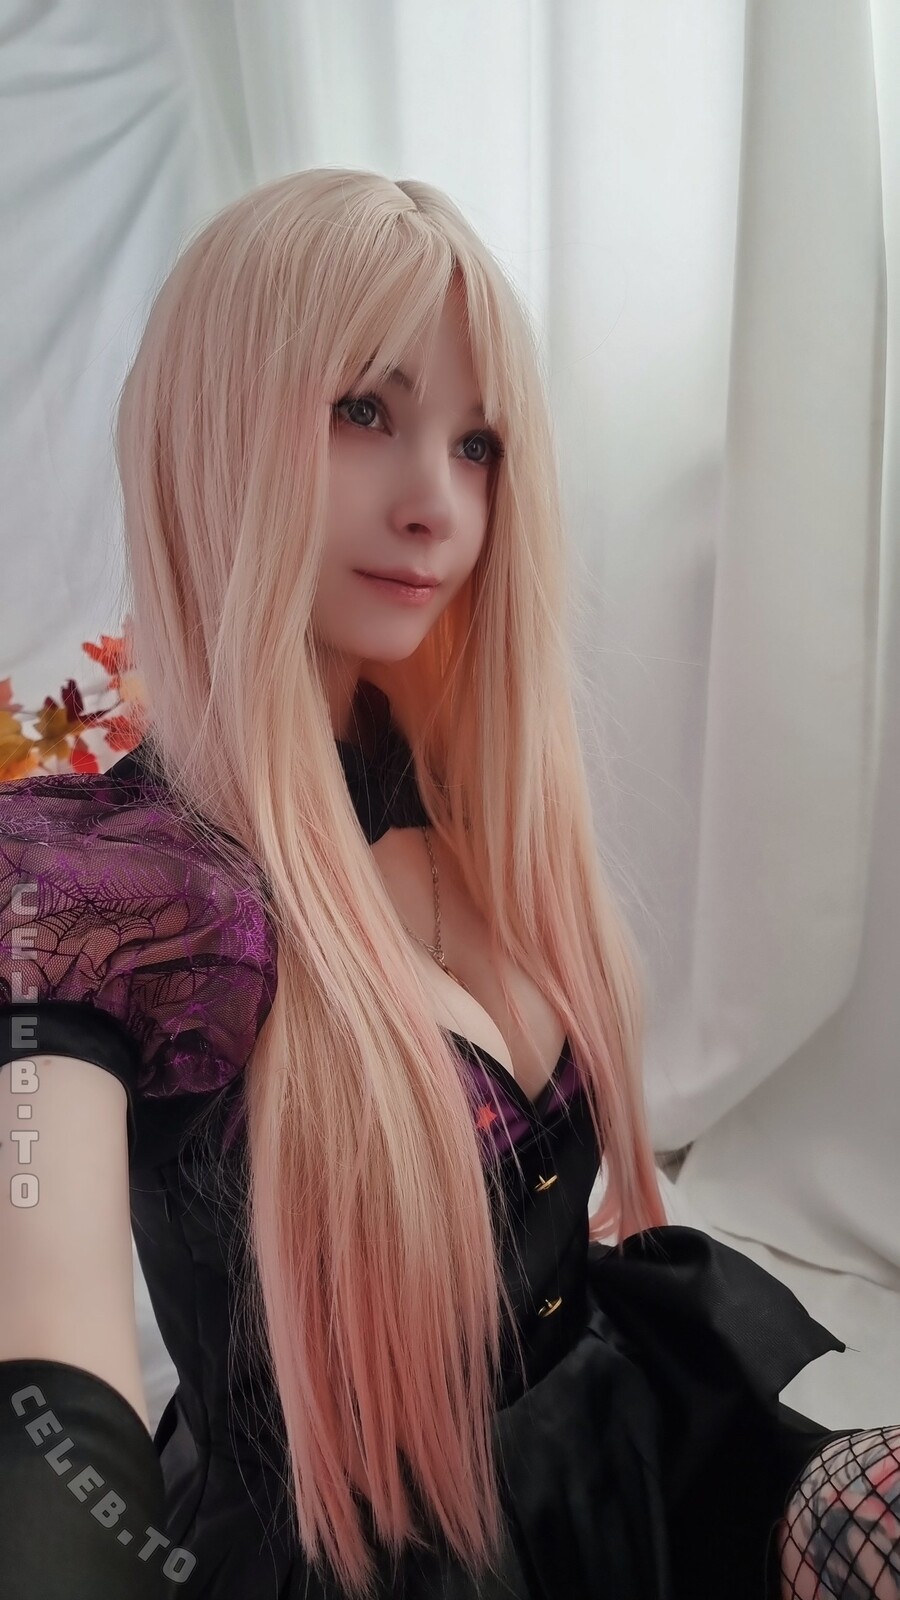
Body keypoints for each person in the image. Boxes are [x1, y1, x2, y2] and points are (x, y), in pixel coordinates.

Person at [0, 167, 897, 1600]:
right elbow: (46, 1376)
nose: (437, 503)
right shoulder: (111, 894)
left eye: (477, 442)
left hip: (626, 1440)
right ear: (213, 424)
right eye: (364, 410)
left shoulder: (467, 786)